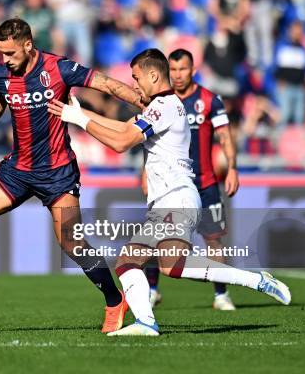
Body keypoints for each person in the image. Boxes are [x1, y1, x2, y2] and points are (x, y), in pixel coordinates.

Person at [48, 49, 290, 336]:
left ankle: (255, 280)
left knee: (173, 265)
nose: (134, 85)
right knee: (128, 262)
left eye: (137, 78)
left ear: (153, 75)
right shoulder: (163, 106)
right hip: (168, 200)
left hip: (177, 197)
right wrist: (80, 113)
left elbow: (122, 142)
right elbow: (125, 128)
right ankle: (146, 323)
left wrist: (79, 120)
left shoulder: (162, 106)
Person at [0, 18, 146, 333]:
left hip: (58, 173)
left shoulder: (58, 68)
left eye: (10, 53)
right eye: (1, 53)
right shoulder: (2, 73)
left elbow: (104, 83)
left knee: (71, 242)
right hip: (18, 169)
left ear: (27, 45)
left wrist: (141, 100)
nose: (5, 60)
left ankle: (114, 299)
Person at [143, 48, 240, 311]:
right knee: (156, 238)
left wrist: (232, 167)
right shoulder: (160, 101)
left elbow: (225, 136)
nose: (177, 75)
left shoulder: (209, 100)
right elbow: (149, 141)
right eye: (172, 70)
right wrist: (144, 173)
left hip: (205, 183)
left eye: (182, 69)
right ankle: (152, 290)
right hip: (170, 185)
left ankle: (221, 294)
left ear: (193, 70)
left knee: (213, 239)